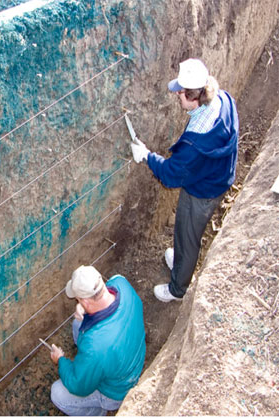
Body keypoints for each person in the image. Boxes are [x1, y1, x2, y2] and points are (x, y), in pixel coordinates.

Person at [130, 58, 239, 302]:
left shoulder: (197, 141)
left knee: (189, 237)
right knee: (183, 230)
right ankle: (179, 260)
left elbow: (170, 175)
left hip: (203, 191)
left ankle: (177, 289)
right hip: (217, 175)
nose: (177, 96)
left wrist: (147, 156)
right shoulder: (222, 99)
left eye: (180, 92)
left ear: (192, 96)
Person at [48, 265, 146, 416]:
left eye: (79, 300)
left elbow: (78, 385)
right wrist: (86, 314)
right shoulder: (121, 283)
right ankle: (86, 363)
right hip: (129, 358)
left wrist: (60, 360)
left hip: (116, 390)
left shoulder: (95, 346)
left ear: (86, 302)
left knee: (58, 393)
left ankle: (97, 412)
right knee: (78, 323)